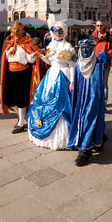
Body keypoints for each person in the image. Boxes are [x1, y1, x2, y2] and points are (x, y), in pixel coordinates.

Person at [27, 22, 76, 150]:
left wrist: (72, 81)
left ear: (64, 32)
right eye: (55, 30)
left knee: (61, 104)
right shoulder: (51, 44)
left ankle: (65, 135)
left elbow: (71, 65)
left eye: (60, 31)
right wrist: (40, 56)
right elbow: (50, 62)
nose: (57, 33)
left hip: (63, 75)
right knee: (44, 100)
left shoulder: (68, 46)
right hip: (51, 75)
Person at [68, 39, 108, 166]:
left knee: (88, 121)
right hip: (81, 101)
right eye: (83, 48)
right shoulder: (78, 64)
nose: (85, 51)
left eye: (88, 48)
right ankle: (97, 140)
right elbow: (76, 80)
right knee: (84, 121)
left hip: (93, 100)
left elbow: (100, 83)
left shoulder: (98, 64)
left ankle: (84, 152)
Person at [0, 21, 39, 134]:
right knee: (8, 98)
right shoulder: (10, 42)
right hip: (11, 73)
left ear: (22, 32)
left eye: (18, 31)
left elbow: (30, 60)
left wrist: (32, 55)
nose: (15, 33)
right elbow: (6, 59)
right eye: (14, 31)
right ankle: (22, 118)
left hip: (22, 73)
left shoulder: (27, 42)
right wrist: (8, 52)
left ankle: (21, 123)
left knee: (20, 99)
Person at [90, 21, 112, 106]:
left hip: (105, 63)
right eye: (97, 25)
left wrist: (107, 54)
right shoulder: (92, 36)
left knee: (104, 83)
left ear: (104, 26)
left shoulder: (109, 36)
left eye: (101, 25)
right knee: (94, 82)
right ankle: (95, 101)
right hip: (94, 63)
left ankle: (104, 103)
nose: (99, 27)